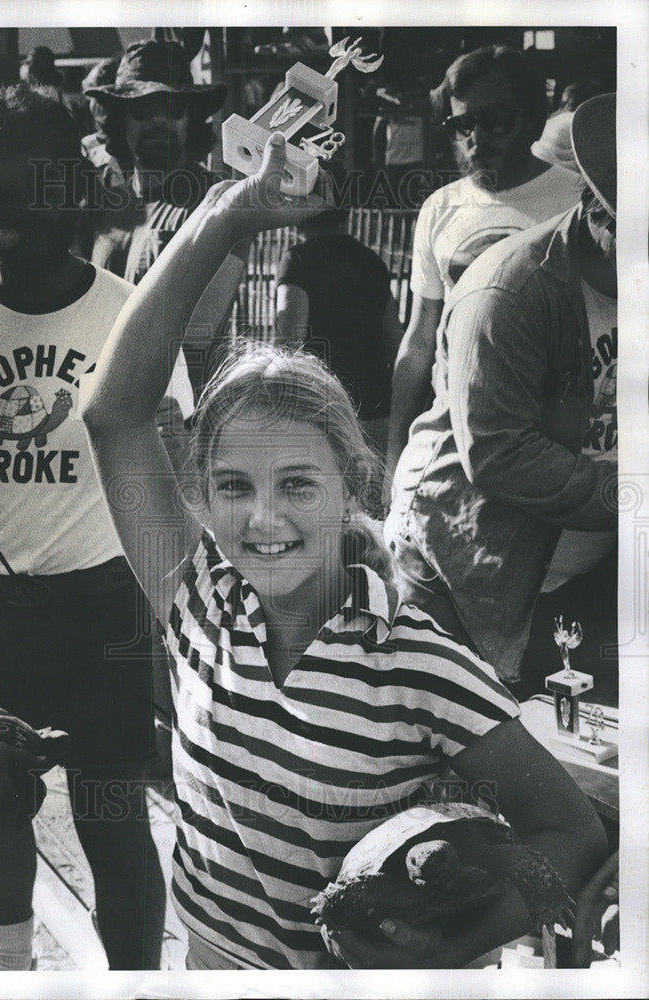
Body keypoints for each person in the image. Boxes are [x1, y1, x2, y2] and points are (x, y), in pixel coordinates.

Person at [82, 131, 606, 970]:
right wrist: (225, 217)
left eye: (296, 484)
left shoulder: (413, 661)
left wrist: (436, 955)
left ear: (349, 484)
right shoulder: (200, 601)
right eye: (231, 487)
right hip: (210, 962)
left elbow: (569, 832)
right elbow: (114, 414)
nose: (261, 519)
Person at [0, 83, 194, 970]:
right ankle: (12, 967)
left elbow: (172, 466)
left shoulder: (123, 316)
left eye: (22, 204)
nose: (2, 231)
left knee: (113, 820)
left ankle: (140, 985)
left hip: (100, 611)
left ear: (65, 195)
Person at [384, 92, 617, 687]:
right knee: (456, 749)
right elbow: (499, 451)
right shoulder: (509, 292)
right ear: (598, 211)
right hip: (465, 569)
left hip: (574, 570)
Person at [385, 45, 583, 484]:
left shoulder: (578, 202)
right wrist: (395, 448)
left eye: (496, 120)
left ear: (533, 115)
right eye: (461, 124)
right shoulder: (440, 208)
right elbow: (420, 339)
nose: (477, 137)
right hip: (451, 444)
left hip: (548, 446)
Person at [82, 39, 245, 395]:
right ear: (119, 120)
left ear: (191, 118)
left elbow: (197, 334)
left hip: (184, 420)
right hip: (98, 404)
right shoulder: (97, 202)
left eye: (172, 107)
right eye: (141, 109)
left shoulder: (219, 202)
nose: (157, 119)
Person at [275, 162, 403, 459]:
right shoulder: (371, 261)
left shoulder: (298, 261)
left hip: (324, 409)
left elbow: (287, 343)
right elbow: (393, 340)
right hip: (375, 408)